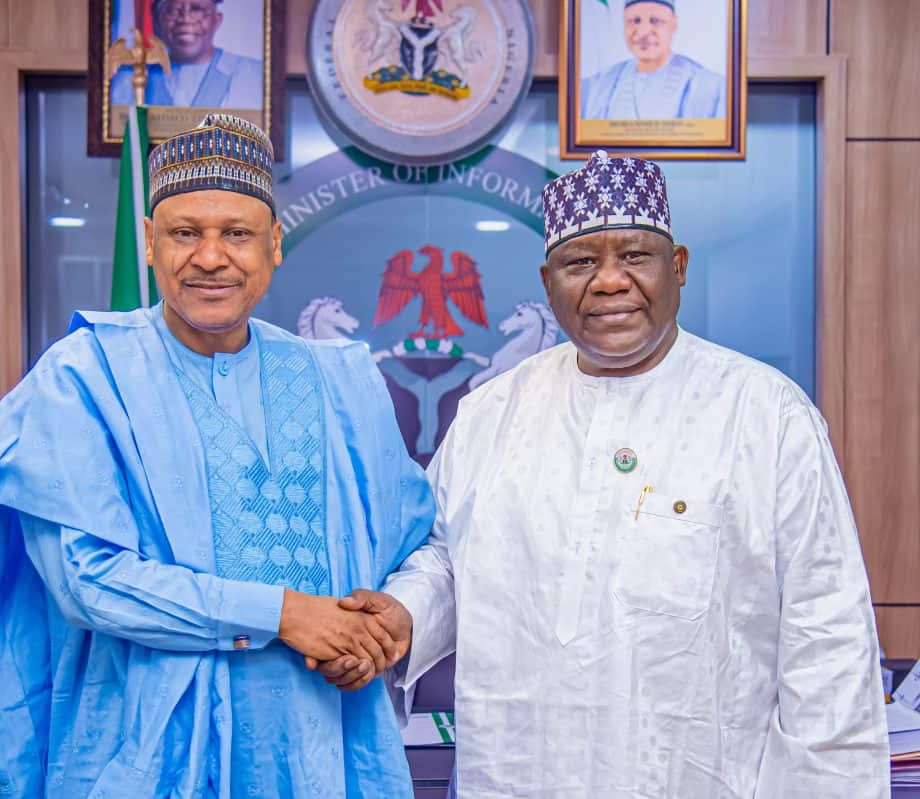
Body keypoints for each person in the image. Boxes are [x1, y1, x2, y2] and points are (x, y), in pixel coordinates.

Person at [318, 150, 891, 797]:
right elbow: (448, 562)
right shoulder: (492, 413)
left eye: (636, 256)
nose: (610, 281)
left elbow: (827, 639)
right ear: (549, 283)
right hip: (515, 775)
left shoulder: (765, 414)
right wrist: (403, 616)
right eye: (581, 262)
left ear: (678, 267)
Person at [0, 114, 432, 798]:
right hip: (145, 748)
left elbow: (415, 539)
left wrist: (377, 631)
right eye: (184, 232)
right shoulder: (82, 378)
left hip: (319, 745)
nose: (210, 257)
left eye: (237, 234)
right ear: (149, 242)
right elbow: (87, 579)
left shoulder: (342, 381)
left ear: (274, 243)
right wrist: (286, 613)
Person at [581, 0, 724, 120]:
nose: (643, 32)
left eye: (655, 21)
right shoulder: (598, 85)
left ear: (673, 24)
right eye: (635, 21)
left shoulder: (709, 85)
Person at [111, 0, 264, 108]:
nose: (185, 19)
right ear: (157, 20)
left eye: (197, 9)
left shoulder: (254, 76)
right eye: (172, 10)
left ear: (216, 20)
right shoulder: (127, 79)